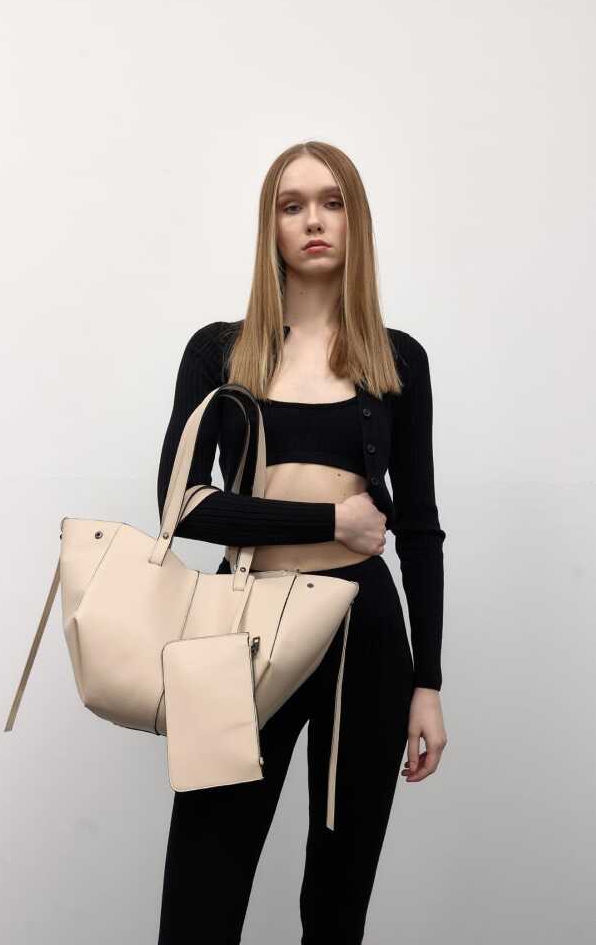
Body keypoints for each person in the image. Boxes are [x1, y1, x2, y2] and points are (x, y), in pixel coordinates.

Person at [155, 140, 448, 945]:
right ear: (270, 226)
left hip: (366, 635)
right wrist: (326, 523)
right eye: (292, 206)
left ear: (355, 221)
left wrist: (427, 682)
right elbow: (181, 505)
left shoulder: (396, 358)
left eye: (331, 202)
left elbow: (419, 529)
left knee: (337, 901)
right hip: (242, 627)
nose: (313, 220)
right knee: (200, 898)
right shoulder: (220, 350)